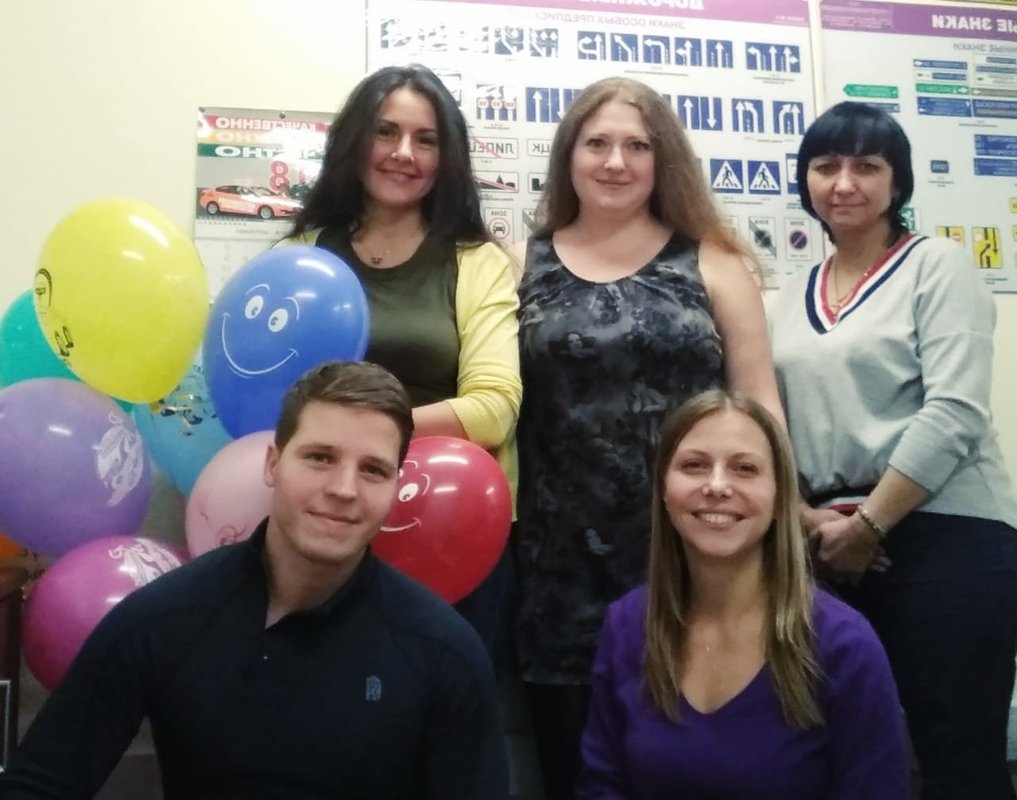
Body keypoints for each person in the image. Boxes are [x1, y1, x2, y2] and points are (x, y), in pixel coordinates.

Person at [0, 361, 509, 800]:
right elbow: (40, 784)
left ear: (396, 488)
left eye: (373, 470)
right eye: (320, 457)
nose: (343, 488)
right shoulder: (168, 617)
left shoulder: (443, 652)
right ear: (273, 464)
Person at [512, 76, 784, 799]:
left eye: (636, 146)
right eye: (596, 143)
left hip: (695, 561)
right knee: (577, 776)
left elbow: (760, 409)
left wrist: (780, 536)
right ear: (568, 156)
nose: (615, 162)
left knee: (698, 769)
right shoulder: (520, 264)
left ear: (663, 160)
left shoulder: (714, 264)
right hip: (555, 574)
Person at [770, 100, 1017, 799]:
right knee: (849, 758)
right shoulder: (790, 296)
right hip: (828, 546)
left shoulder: (937, 265)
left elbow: (955, 411)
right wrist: (810, 521)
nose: (844, 183)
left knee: (957, 758)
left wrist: (871, 524)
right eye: (825, 166)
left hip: (946, 538)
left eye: (866, 166)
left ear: (897, 181)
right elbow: (772, 423)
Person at [280, 64, 521, 653]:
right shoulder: (299, 256)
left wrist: (361, 439)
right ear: (355, 141)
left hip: (448, 530)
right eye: (386, 132)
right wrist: (355, 453)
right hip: (318, 527)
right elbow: (267, 399)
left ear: (447, 157)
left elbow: (492, 410)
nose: (404, 153)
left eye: (426, 139)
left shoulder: (476, 262)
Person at [579, 389, 910, 799]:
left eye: (745, 469)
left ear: (779, 497)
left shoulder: (845, 646)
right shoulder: (626, 625)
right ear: (663, 489)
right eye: (694, 465)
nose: (717, 485)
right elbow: (602, 785)